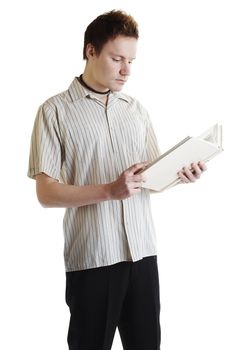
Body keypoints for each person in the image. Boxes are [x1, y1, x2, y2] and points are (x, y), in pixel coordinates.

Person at [27, 9, 207, 350]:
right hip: (94, 257)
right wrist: (110, 190)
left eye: (132, 61)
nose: (126, 70)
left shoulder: (136, 110)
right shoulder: (54, 111)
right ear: (90, 51)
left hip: (143, 254)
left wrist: (182, 175)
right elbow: (45, 193)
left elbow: (151, 179)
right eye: (117, 58)